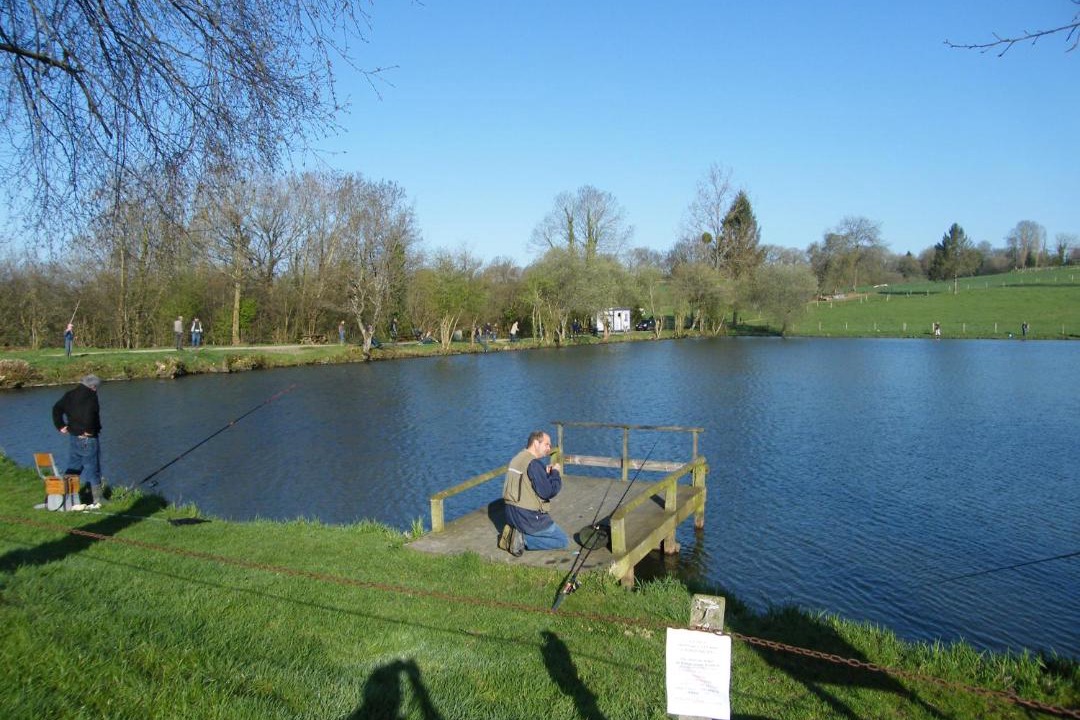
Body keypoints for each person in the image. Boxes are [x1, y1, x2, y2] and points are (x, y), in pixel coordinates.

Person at [499, 430, 569, 555]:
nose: (549, 448)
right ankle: (521, 540)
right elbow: (548, 492)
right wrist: (555, 473)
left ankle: (517, 533)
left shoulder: (516, 458)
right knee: (562, 540)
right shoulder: (534, 464)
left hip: (511, 514)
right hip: (528, 518)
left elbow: (526, 483)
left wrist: (544, 474)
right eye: (547, 444)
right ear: (536, 443)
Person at [52, 374, 105, 508]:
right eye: (96, 387)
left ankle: (65, 495)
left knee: (74, 467)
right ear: (93, 386)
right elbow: (90, 414)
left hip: (73, 437)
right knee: (93, 468)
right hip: (88, 438)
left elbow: (56, 409)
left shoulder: (70, 394)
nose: (96, 390)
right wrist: (88, 431)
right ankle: (98, 499)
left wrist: (60, 426)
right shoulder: (91, 397)